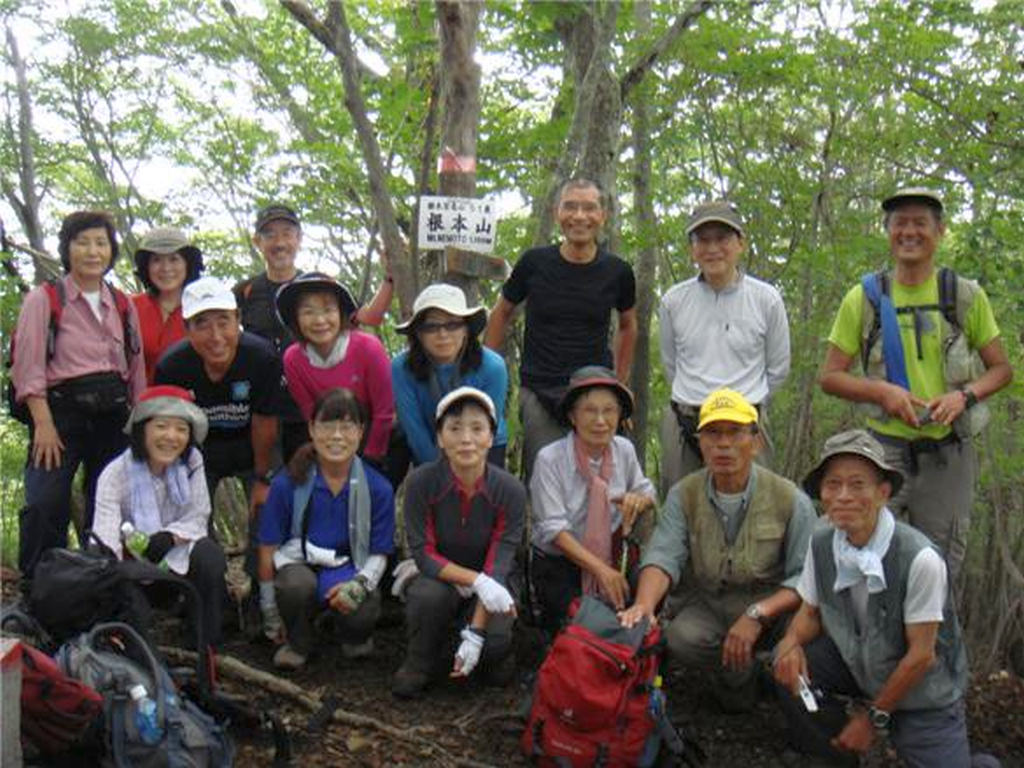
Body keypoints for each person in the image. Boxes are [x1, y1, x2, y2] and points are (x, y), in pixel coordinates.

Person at [819, 187, 1012, 584]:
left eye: (920, 223)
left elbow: (1001, 370)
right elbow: (830, 376)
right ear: (887, 231)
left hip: (947, 452)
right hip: (882, 452)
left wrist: (963, 397)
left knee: (937, 567)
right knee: (863, 554)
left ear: (939, 231)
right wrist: (881, 392)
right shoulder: (865, 298)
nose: (909, 232)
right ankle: (871, 644)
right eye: (900, 223)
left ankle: (933, 647)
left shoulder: (963, 295)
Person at [773, 429, 998, 768]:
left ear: (883, 492)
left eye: (858, 484)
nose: (844, 496)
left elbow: (922, 656)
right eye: (833, 485)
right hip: (856, 664)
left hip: (921, 692)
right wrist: (790, 643)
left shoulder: (919, 558)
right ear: (821, 494)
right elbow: (810, 610)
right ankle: (832, 751)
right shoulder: (822, 541)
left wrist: (873, 718)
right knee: (784, 663)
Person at [619, 388, 815, 712]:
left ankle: (767, 671)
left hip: (771, 609)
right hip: (710, 605)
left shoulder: (790, 499)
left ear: (756, 442)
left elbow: (805, 579)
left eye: (735, 433)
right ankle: (737, 673)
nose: (723, 444)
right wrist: (643, 605)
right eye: (713, 433)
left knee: (804, 638)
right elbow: (664, 555)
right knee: (683, 638)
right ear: (700, 443)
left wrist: (757, 615)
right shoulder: (684, 494)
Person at [11, 210, 147, 578]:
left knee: (107, 506)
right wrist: (42, 424)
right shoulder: (45, 299)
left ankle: (98, 585)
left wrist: (139, 424)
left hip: (115, 416)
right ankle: (39, 585)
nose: (92, 251)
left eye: (101, 243)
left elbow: (136, 369)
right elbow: (27, 368)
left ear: (111, 250)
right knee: (44, 501)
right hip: (59, 417)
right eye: (82, 242)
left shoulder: (122, 303)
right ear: (67, 248)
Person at [484, 178, 637, 477]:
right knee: (544, 478)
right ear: (557, 213)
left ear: (603, 215)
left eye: (589, 208)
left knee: (602, 480)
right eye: (570, 207)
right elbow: (501, 313)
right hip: (540, 389)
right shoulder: (534, 263)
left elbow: (628, 326)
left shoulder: (617, 272)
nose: (579, 216)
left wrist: (620, 386)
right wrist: (488, 374)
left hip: (595, 390)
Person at [235, 204, 394, 463]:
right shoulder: (245, 291)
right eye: (270, 235)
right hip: (267, 409)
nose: (279, 243)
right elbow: (224, 337)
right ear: (257, 242)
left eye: (287, 233)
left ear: (299, 239)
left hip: (314, 415)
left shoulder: (322, 286)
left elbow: (367, 318)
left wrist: (390, 277)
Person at [393, 387, 525, 698]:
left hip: (495, 578)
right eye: (454, 428)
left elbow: (499, 562)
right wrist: (476, 580)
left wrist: (477, 633)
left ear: (491, 437)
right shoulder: (421, 483)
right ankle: (420, 662)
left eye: (477, 428)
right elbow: (424, 554)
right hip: (440, 575)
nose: (466, 439)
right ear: (440, 438)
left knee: (494, 645)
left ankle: (493, 652)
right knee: (427, 598)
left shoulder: (510, 490)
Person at [658, 200, 790, 496]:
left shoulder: (766, 299)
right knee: (682, 509)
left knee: (760, 510)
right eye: (703, 240)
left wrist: (744, 406)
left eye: (722, 238)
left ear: (740, 243)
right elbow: (671, 365)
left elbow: (778, 368)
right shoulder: (673, 301)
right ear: (692, 249)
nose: (712, 248)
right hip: (685, 421)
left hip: (748, 422)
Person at [256, 388, 395, 671]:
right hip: (299, 565)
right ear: (311, 428)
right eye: (327, 426)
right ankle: (298, 642)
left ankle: (352, 636)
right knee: (294, 587)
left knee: (364, 603)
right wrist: (269, 607)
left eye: (346, 427)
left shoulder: (377, 488)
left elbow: (380, 552)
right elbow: (268, 547)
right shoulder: (288, 483)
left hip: (347, 567)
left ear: (360, 431)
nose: (336, 436)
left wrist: (359, 584)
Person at [92, 385, 226, 646]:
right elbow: (104, 535)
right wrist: (124, 565)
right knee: (127, 597)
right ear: (143, 429)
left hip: (175, 560)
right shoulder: (116, 473)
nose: (171, 437)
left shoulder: (192, 462)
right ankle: (139, 660)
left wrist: (169, 538)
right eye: (162, 426)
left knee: (210, 555)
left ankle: (204, 645)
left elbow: (199, 515)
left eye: (181, 429)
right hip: (131, 569)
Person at [530, 366, 656, 634]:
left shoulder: (624, 451)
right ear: (573, 416)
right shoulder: (550, 460)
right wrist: (601, 570)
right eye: (590, 410)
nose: (600, 420)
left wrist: (638, 500)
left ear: (620, 416)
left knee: (637, 617)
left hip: (614, 559)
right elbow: (554, 529)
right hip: (562, 565)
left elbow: (647, 491)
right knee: (593, 626)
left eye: (609, 410)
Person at [154, 277, 280, 525]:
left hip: (251, 444)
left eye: (224, 322)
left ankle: (263, 563)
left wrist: (263, 478)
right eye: (202, 325)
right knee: (190, 517)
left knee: (267, 512)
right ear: (187, 329)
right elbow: (167, 428)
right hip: (199, 449)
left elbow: (264, 423)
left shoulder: (262, 358)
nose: (216, 336)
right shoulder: (172, 367)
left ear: (238, 320)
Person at [275, 272, 394, 469]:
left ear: (341, 312)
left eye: (328, 310)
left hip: (377, 438)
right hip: (331, 441)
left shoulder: (368, 348)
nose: (320, 320)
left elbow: (384, 412)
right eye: (308, 312)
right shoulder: (293, 359)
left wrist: (369, 462)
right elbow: (310, 414)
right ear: (295, 318)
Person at [392, 283, 508, 468]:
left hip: (484, 444)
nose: (443, 334)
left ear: (466, 330)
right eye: (431, 326)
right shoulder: (401, 369)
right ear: (418, 333)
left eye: (453, 324)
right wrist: (440, 477)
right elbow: (415, 432)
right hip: (430, 441)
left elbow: (487, 428)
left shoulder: (493, 367)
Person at [131, 227, 204, 383]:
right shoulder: (130, 308)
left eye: (174, 259)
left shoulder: (203, 308)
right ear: (146, 266)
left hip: (189, 403)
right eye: (157, 260)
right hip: (140, 403)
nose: (166, 268)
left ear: (187, 263)